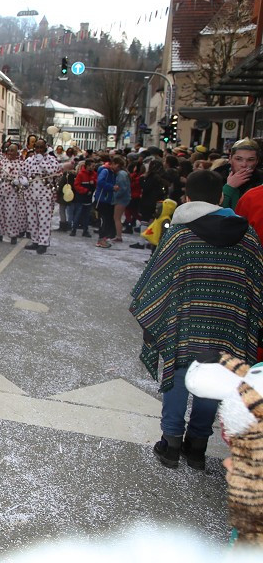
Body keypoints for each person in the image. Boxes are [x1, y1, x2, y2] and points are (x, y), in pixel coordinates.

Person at [131, 170, 263, 469]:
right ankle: (197, 446)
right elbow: (258, 284)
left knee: (178, 379)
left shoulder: (180, 236)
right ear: (220, 198)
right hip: (230, 326)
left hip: (185, 323)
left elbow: (155, 281)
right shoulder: (249, 238)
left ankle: (171, 444)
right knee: (213, 381)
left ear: (186, 198)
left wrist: (151, 316)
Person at [21, 138, 62, 254]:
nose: (39, 150)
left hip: (45, 194)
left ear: (45, 148)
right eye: (37, 147)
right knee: (32, 219)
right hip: (30, 193)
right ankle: (35, 240)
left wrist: (42, 162)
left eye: (41, 147)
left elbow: (54, 171)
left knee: (44, 219)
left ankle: (43, 242)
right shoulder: (29, 160)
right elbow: (22, 173)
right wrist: (22, 179)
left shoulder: (51, 160)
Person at [0, 142, 26, 243]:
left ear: (17, 152)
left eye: (12, 150)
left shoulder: (21, 164)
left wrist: (19, 181)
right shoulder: (2, 162)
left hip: (12, 192)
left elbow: (25, 179)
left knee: (11, 213)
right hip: (0, 190)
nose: (10, 152)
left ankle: (13, 235)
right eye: (9, 150)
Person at [219, 138, 263, 209]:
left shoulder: (261, 180)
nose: (244, 164)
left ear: (257, 161)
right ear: (230, 159)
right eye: (238, 159)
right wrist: (229, 187)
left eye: (250, 160)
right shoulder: (215, 178)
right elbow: (211, 211)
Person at [93, 155, 121, 249]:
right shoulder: (105, 171)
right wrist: (112, 187)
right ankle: (101, 239)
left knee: (107, 220)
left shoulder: (112, 173)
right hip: (102, 199)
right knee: (103, 220)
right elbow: (100, 182)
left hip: (108, 199)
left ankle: (104, 238)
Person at [70, 157, 97, 237]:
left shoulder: (94, 174)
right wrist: (85, 190)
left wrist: (94, 182)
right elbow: (76, 185)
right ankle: (74, 229)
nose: (93, 167)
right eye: (92, 166)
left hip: (89, 197)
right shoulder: (81, 174)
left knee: (87, 215)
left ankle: (85, 230)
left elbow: (97, 182)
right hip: (81, 197)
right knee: (78, 214)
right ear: (87, 166)